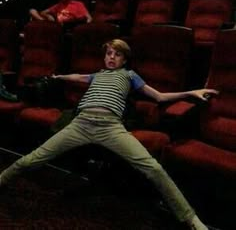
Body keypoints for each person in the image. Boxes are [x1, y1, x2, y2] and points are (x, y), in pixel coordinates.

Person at [0, 39, 218, 230]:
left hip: (111, 127)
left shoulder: (130, 75)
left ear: (124, 60)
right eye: (109, 53)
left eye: (118, 54)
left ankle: (190, 219)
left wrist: (192, 92)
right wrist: (59, 76)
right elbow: (77, 76)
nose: (112, 57)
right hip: (80, 124)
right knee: (32, 159)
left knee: (154, 168)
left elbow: (159, 97)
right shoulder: (97, 75)